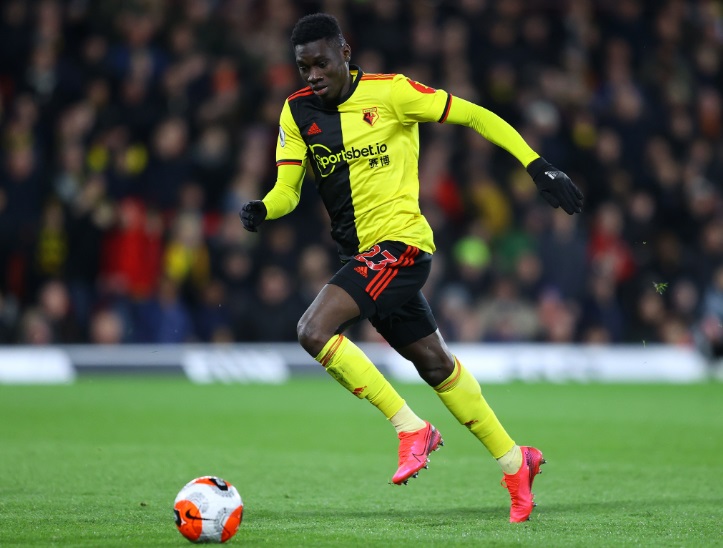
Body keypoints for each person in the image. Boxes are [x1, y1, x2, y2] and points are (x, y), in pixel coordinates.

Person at [240, 13, 583, 523]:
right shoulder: (296, 112)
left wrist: (537, 164)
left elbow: (475, 115)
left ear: (344, 53)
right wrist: (264, 208)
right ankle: (516, 461)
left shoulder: (393, 93)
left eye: (321, 63)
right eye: (303, 67)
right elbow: (288, 190)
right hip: (362, 259)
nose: (313, 75)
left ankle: (411, 428)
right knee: (435, 364)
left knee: (313, 330)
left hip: (401, 247)